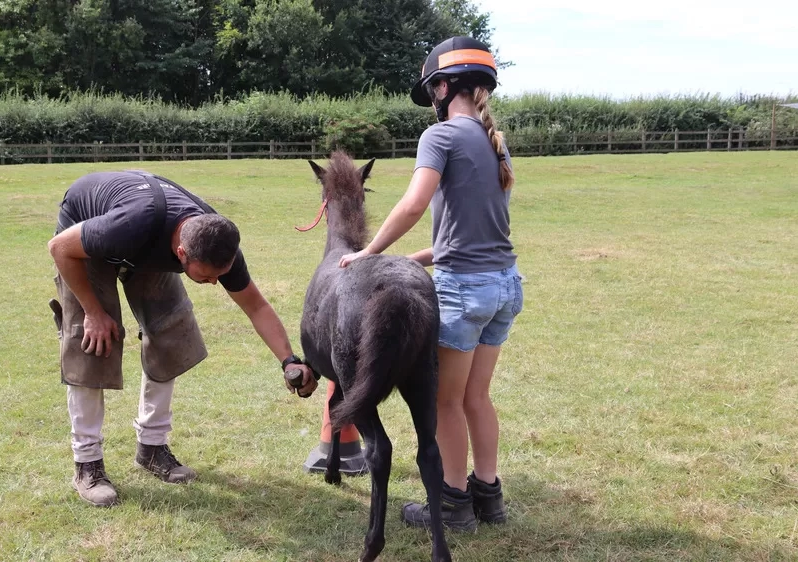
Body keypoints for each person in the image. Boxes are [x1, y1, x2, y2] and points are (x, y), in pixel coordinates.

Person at [338, 36, 523, 531]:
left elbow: (413, 205)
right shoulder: (495, 144)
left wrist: (369, 252)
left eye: (433, 89)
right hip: (504, 285)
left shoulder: (439, 137)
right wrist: (407, 258)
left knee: (446, 400)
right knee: (477, 397)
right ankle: (490, 496)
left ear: (444, 86)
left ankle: (453, 504)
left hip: (465, 291)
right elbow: (466, 238)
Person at [48, 170, 317, 507]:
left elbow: (256, 306)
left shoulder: (217, 241)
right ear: (181, 253)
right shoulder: (128, 225)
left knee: (171, 334)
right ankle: (87, 465)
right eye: (206, 276)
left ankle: (152, 447)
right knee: (94, 346)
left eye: (220, 275)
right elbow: (59, 248)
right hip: (83, 242)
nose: (216, 283)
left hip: (143, 245)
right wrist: (92, 312)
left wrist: (289, 361)